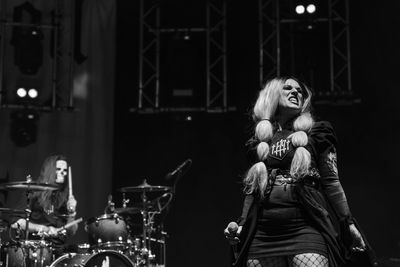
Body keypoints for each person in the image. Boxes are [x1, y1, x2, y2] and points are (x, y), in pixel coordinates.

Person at [224, 77, 375, 267]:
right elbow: (252, 191)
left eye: (299, 91)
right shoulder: (260, 140)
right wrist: (242, 224)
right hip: (263, 234)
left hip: (306, 228)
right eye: (287, 88)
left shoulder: (318, 132)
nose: (295, 92)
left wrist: (348, 223)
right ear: (272, 97)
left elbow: (331, 181)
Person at [10, 155, 78, 253]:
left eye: (65, 170)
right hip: (35, 248)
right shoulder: (33, 191)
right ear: (50, 171)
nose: (63, 173)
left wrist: (72, 213)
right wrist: (43, 229)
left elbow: (71, 232)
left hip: (58, 249)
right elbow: (15, 223)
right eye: (58, 169)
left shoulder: (64, 196)